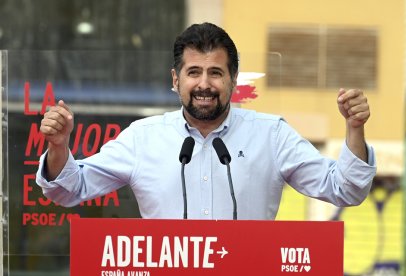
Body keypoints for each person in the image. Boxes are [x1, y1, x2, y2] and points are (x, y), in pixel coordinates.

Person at [36, 22, 376, 220]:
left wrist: (354, 129)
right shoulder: (143, 138)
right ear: (175, 80)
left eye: (216, 72)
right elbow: (69, 189)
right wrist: (59, 147)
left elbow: (345, 188)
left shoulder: (271, 135)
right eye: (193, 72)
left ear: (233, 80)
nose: (204, 85)